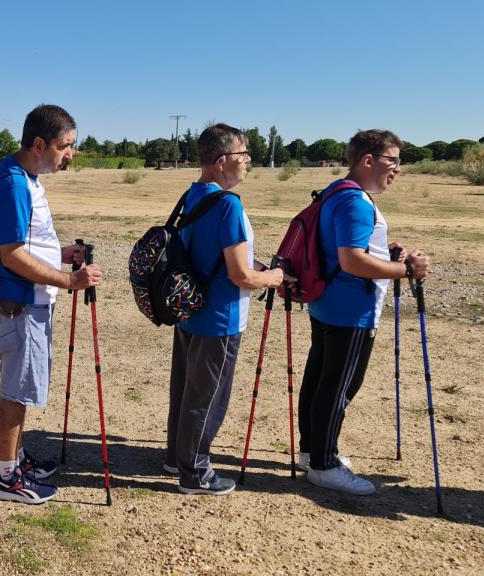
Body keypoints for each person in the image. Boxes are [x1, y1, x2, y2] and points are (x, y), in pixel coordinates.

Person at [297, 129, 430, 495]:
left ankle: (312, 452)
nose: (397, 169)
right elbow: (352, 260)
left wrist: (385, 251)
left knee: (321, 382)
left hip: (327, 304)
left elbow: (349, 248)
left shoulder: (336, 192)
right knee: (339, 387)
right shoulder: (356, 201)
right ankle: (324, 465)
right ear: (368, 160)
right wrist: (407, 270)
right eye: (393, 160)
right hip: (351, 310)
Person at [0, 104, 101, 505]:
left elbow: (29, 245)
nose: (71, 154)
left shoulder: (27, 178)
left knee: (23, 385)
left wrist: (62, 254)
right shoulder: (15, 184)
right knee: (16, 389)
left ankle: (14, 459)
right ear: (39, 143)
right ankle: (6, 477)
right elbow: (13, 254)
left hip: (30, 299)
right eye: (66, 146)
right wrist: (70, 280)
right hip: (19, 302)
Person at [163, 124, 284, 496]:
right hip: (220, 316)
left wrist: (258, 268)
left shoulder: (191, 195)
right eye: (242, 155)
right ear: (220, 161)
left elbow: (215, 254)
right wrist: (275, 277)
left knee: (186, 389)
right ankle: (195, 471)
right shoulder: (228, 204)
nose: (247, 162)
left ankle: (176, 456)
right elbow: (239, 275)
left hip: (189, 309)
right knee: (207, 396)